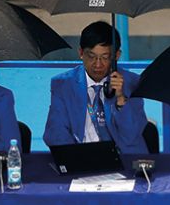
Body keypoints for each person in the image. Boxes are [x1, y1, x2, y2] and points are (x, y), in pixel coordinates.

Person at [43, 21, 148, 153]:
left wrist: (121, 99)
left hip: (123, 158)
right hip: (79, 157)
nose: (98, 64)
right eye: (91, 56)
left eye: (105, 57)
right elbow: (55, 133)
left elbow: (132, 136)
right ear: (81, 53)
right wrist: (76, 157)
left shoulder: (131, 82)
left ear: (116, 56)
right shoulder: (63, 84)